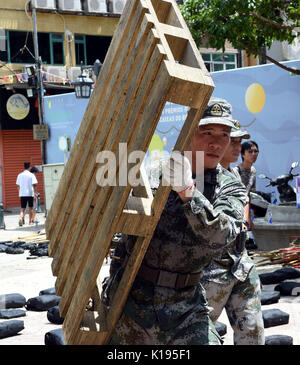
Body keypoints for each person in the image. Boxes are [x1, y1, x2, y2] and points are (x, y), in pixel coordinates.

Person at [101, 97, 248, 345]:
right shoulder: (155, 174)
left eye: (224, 134)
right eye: (207, 132)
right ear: (189, 132)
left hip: (186, 309)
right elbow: (123, 232)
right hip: (134, 303)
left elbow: (223, 236)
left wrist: (189, 192)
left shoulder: (230, 187)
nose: (216, 142)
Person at [200, 125, 265, 345]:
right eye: (234, 142)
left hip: (240, 265)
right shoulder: (200, 179)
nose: (237, 147)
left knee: (252, 336)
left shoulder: (233, 179)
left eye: (239, 142)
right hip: (210, 270)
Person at [233, 140, 259, 230]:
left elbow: (249, 194)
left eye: (256, 151)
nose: (254, 154)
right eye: (250, 151)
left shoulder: (253, 170)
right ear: (243, 154)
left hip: (246, 210)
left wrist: (249, 217)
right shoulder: (236, 171)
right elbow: (238, 196)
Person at [16, 162, 38, 226]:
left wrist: (19, 193)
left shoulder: (20, 175)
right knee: (30, 208)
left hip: (22, 194)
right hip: (30, 193)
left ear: (24, 167)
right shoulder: (31, 175)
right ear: (29, 167)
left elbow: (18, 185)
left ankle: (20, 218)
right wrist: (35, 193)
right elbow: (35, 185)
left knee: (22, 208)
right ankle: (30, 221)